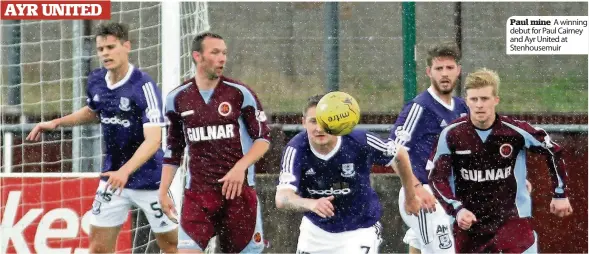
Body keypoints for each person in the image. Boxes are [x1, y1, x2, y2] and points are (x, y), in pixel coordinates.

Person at [26, 22, 178, 253]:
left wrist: (125, 171)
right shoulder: (97, 80)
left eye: (111, 47)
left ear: (126, 46)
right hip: (112, 178)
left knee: (172, 247)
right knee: (98, 248)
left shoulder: (143, 86)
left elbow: (154, 140)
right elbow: (94, 111)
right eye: (101, 49)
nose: (105, 53)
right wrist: (57, 122)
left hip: (150, 181)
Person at [428, 68, 573, 253]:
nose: (479, 105)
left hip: (512, 219)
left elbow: (553, 151)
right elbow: (436, 178)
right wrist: (456, 209)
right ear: (466, 101)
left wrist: (560, 193)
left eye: (485, 99)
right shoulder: (451, 134)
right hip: (470, 222)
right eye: (474, 99)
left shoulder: (515, 131)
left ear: (496, 100)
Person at [275, 94, 435, 254]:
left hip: (360, 230)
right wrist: (311, 204)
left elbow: (399, 154)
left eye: (326, 120)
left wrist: (411, 195)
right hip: (315, 231)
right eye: (313, 121)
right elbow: (282, 198)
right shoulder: (295, 149)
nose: (319, 128)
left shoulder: (359, 140)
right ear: (303, 122)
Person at [157, 32, 271, 253]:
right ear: (197, 56)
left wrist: (240, 168)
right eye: (215, 52)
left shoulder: (240, 93)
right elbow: (173, 151)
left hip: (238, 194)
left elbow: (263, 139)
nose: (222, 59)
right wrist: (163, 191)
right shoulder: (177, 99)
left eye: (224, 53)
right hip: (199, 195)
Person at [388, 42, 467, 254]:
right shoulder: (419, 107)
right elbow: (393, 152)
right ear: (428, 72)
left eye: (449, 68)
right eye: (438, 68)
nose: (444, 74)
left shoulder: (462, 108)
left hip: (449, 195)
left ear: (458, 70)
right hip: (424, 195)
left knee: (422, 245)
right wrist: (415, 188)